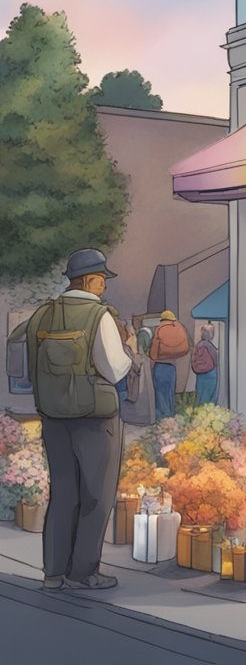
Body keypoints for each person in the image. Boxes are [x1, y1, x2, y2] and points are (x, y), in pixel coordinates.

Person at [25, 248, 132, 590]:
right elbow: (114, 369)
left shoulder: (42, 314)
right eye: (102, 279)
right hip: (95, 418)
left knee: (63, 492)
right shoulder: (98, 315)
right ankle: (82, 572)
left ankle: (53, 573)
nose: (104, 286)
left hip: (53, 416)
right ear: (90, 280)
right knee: (96, 496)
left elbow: (31, 366)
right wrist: (128, 348)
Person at [148, 310, 191, 420]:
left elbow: (153, 353)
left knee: (160, 395)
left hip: (160, 367)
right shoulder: (178, 327)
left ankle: (162, 420)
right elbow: (186, 348)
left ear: (162, 319)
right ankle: (171, 419)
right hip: (172, 368)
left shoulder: (160, 328)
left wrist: (154, 357)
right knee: (170, 394)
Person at [191, 324, 220, 405]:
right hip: (212, 374)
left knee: (202, 400)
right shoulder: (211, 346)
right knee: (211, 400)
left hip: (203, 376)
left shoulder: (201, 345)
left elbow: (200, 364)